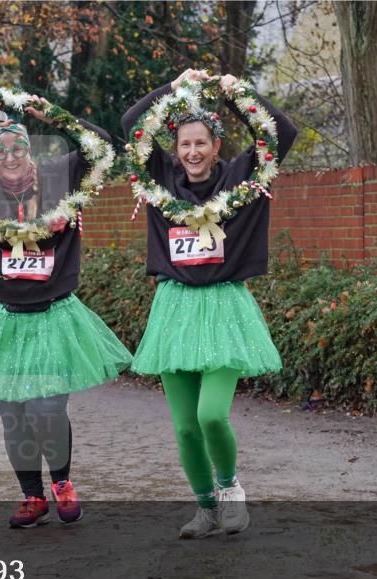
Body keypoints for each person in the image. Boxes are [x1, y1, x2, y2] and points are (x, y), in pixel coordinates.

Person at [0, 95, 132, 528]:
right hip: (0, 317)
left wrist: (52, 115)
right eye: (0, 149)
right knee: (15, 416)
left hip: (52, 315)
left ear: (31, 150)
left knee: (47, 410)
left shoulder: (60, 177)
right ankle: (31, 496)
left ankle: (61, 482)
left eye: (19, 148)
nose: (10, 156)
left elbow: (101, 146)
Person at [121, 69, 298, 538]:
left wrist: (234, 92)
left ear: (216, 146)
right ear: (175, 151)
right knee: (183, 428)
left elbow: (282, 132)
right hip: (174, 308)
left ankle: (231, 488)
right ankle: (204, 508)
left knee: (210, 414)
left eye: (201, 143)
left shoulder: (243, 177)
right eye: (184, 145)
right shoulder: (161, 179)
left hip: (223, 307)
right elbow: (131, 122)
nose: (193, 153)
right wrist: (175, 88)